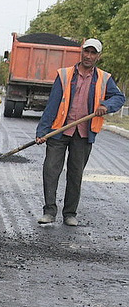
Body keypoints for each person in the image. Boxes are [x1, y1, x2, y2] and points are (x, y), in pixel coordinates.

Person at [34, 38, 125, 227]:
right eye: (87, 52)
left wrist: (105, 106)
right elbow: (52, 104)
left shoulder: (104, 78)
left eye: (93, 53)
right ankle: (49, 211)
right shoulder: (65, 75)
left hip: (83, 134)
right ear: (81, 52)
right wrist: (42, 131)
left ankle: (69, 214)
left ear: (98, 57)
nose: (89, 56)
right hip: (59, 131)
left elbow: (119, 97)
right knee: (51, 170)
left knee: (75, 175)